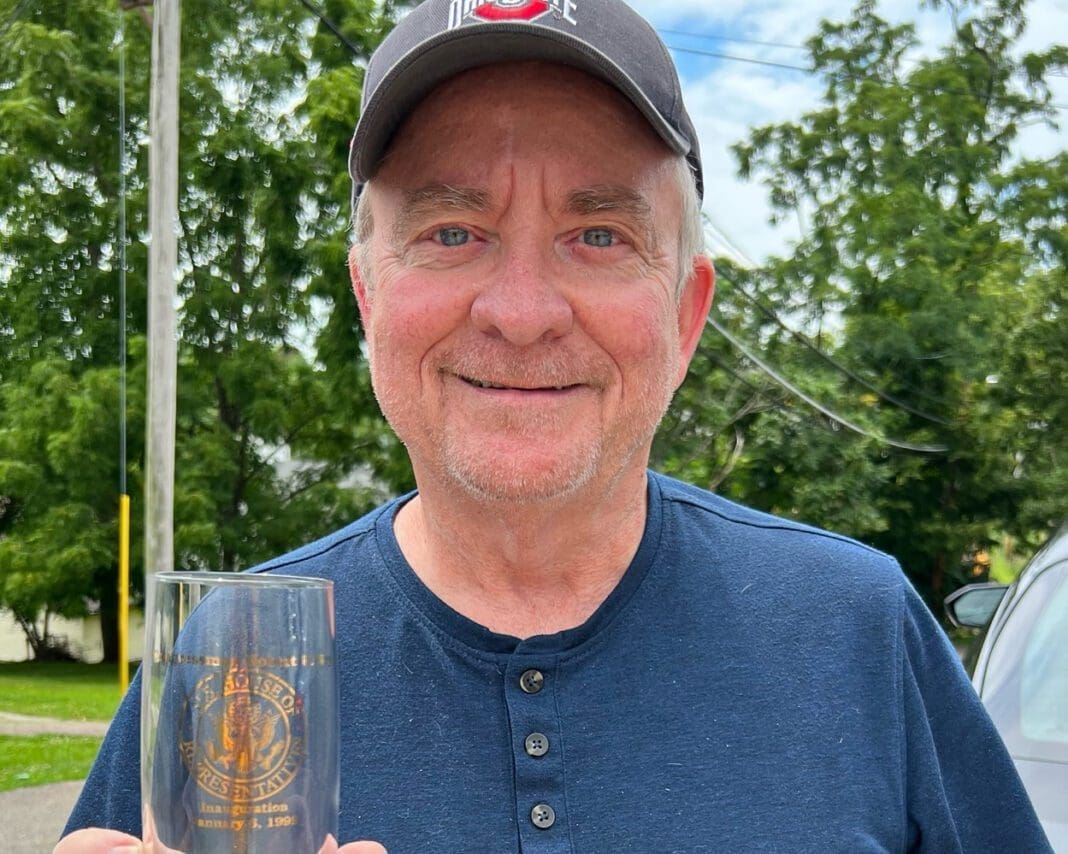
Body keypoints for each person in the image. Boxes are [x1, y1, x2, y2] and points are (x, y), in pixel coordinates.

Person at [58, 0, 1052, 851]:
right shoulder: (230, 660)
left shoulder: (857, 629)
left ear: (685, 312)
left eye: (599, 235)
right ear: (368, 297)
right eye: (453, 232)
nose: (523, 310)